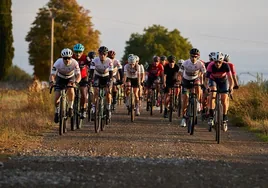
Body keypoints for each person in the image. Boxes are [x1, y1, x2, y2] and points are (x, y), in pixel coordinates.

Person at [49, 48, 81, 123]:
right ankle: (57, 112)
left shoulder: (75, 63)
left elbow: (78, 75)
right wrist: (52, 81)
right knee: (57, 97)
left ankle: (70, 107)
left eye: (69, 58)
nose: (67, 60)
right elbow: (53, 74)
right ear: (62, 58)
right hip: (61, 78)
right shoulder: (58, 62)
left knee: (71, 90)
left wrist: (76, 82)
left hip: (70, 77)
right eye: (65, 58)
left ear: (71, 57)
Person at [206, 52, 234, 131]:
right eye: (216, 62)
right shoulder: (210, 66)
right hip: (213, 80)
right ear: (213, 61)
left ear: (222, 62)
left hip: (223, 81)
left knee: (224, 99)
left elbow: (230, 79)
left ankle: (224, 119)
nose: (217, 64)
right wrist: (207, 87)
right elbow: (206, 79)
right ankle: (211, 117)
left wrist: (231, 87)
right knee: (212, 93)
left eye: (219, 62)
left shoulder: (225, 65)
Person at [179, 48, 206, 127]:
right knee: (185, 99)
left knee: (198, 86)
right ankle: (184, 118)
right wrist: (179, 80)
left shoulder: (200, 64)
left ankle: (198, 102)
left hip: (195, 79)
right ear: (189, 56)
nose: (193, 58)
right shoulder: (185, 63)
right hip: (186, 80)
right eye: (192, 56)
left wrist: (204, 82)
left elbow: (204, 74)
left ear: (198, 57)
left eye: (195, 56)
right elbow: (180, 73)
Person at [89, 46, 114, 119]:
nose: (102, 56)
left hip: (106, 77)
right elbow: (91, 72)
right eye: (100, 54)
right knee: (96, 92)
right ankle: (93, 109)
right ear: (98, 54)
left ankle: (108, 108)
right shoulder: (94, 60)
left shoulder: (109, 61)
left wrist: (109, 81)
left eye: (104, 54)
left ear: (106, 55)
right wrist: (90, 80)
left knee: (108, 92)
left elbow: (111, 73)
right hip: (98, 76)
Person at [72, 43, 89, 119]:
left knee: (83, 93)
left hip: (83, 77)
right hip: (73, 77)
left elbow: (92, 65)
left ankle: (83, 109)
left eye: (79, 52)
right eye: (76, 52)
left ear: (82, 52)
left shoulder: (85, 58)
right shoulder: (71, 57)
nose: (78, 54)